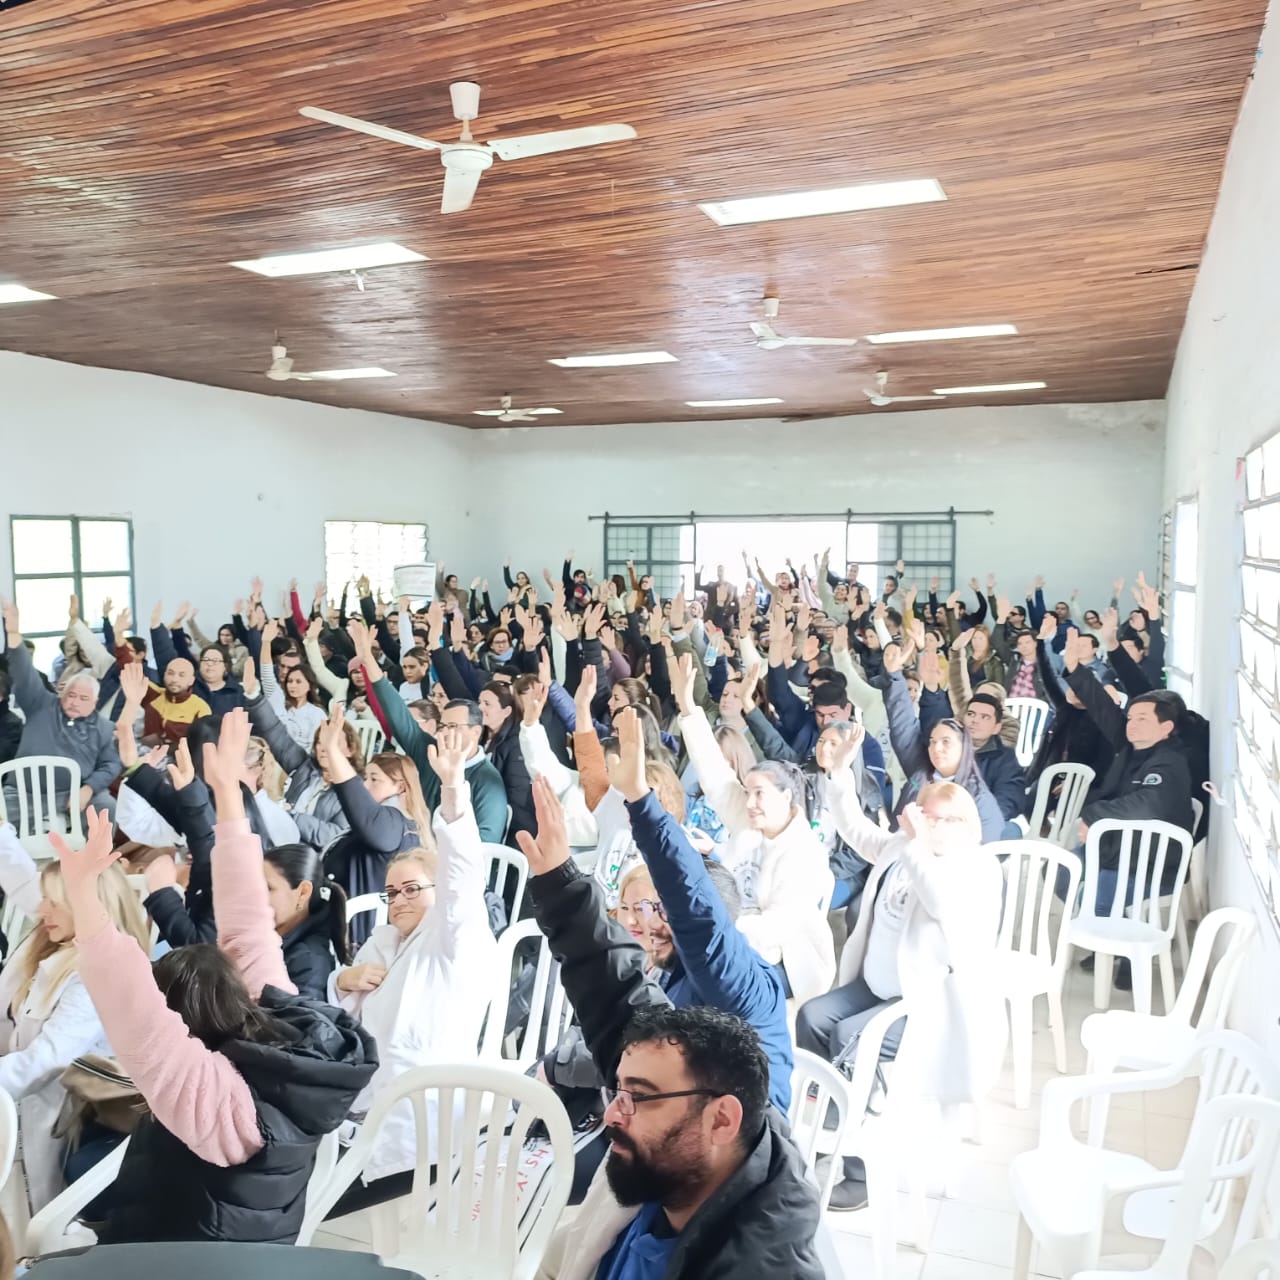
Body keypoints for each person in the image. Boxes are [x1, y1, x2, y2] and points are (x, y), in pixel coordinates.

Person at [47, 708, 378, 1244]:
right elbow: (249, 930)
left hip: (204, 1264)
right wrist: (228, 799)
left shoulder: (222, 1104)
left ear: (187, 1025)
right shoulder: (287, 1028)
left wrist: (85, 897)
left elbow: (140, 1019)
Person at [517, 775, 824, 1278]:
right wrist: (560, 883)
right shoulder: (679, 1160)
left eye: (635, 1097)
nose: (613, 1114)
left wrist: (643, 804)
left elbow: (705, 929)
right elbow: (619, 1000)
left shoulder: (746, 988)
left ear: (722, 1120)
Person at [795, 727, 1005, 1210]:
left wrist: (916, 844)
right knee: (812, 1018)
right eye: (925, 817)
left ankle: (859, 1166)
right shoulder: (901, 848)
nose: (930, 828)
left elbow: (941, 904)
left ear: (965, 824)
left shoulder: (975, 868)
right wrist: (840, 773)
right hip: (876, 986)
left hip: (927, 1004)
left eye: (942, 821)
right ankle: (830, 1120)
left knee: (851, 1038)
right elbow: (854, 828)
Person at [327, 726, 498, 1211]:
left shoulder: (454, 936)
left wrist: (452, 789)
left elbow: (463, 874)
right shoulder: (383, 939)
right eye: (392, 893)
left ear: (437, 892)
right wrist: (340, 980)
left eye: (412, 889)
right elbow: (340, 1016)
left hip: (419, 1118)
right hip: (358, 1103)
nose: (399, 901)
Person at [0, 818, 151, 1212]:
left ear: (86, 905)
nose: (41, 910)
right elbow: (19, 879)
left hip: (59, 1124)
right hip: (23, 1107)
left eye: (54, 902)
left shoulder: (97, 974)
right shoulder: (52, 944)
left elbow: (47, 1061)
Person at [673, 655, 835, 1005]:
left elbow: (776, 927)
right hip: (731, 941)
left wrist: (715, 926)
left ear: (787, 797)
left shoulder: (804, 852)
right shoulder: (751, 822)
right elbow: (715, 775)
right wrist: (688, 709)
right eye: (747, 793)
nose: (749, 802)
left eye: (759, 793)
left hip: (782, 962)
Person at [353, 619, 509, 843]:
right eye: (443, 726)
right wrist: (368, 659)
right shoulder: (430, 751)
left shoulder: (487, 780)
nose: (445, 733)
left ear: (476, 732)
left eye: (454, 727)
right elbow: (398, 713)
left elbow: (486, 842)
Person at [1, 599, 121, 824]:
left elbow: (111, 764)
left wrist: (89, 788)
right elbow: (25, 672)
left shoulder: (104, 728)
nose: (75, 701)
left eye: (83, 698)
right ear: (62, 692)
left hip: (72, 794)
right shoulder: (41, 704)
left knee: (106, 808)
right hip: (22, 794)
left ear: (95, 702)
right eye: (71, 695)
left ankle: (95, 859)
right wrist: (14, 634)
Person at [879, 641, 1005, 842]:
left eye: (946, 742)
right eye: (932, 741)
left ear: (964, 747)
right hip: (901, 858)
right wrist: (895, 675)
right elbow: (902, 724)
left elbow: (989, 845)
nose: (936, 748)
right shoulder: (921, 771)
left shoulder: (976, 795)